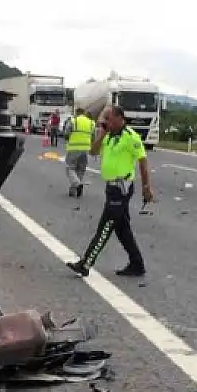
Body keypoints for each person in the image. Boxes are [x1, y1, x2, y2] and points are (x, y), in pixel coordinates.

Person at [66, 105, 153, 278]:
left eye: (109, 119)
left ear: (120, 119)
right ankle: (137, 264)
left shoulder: (131, 137)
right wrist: (103, 134)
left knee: (104, 227)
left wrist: (146, 187)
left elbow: (143, 162)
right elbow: (92, 151)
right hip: (111, 188)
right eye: (105, 118)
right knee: (122, 230)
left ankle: (86, 263)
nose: (106, 122)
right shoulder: (108, 137)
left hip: (122, 189)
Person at [61, 107, 94, 197]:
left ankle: (77, 184)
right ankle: (73, 190)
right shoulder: (91, 123)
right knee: (80, 170)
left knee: (70, 168)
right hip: (86, 150)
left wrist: (68, 138)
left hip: (73, 148)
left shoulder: (73, 121)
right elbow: (94, 137)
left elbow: (66, 133)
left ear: (77, 113)